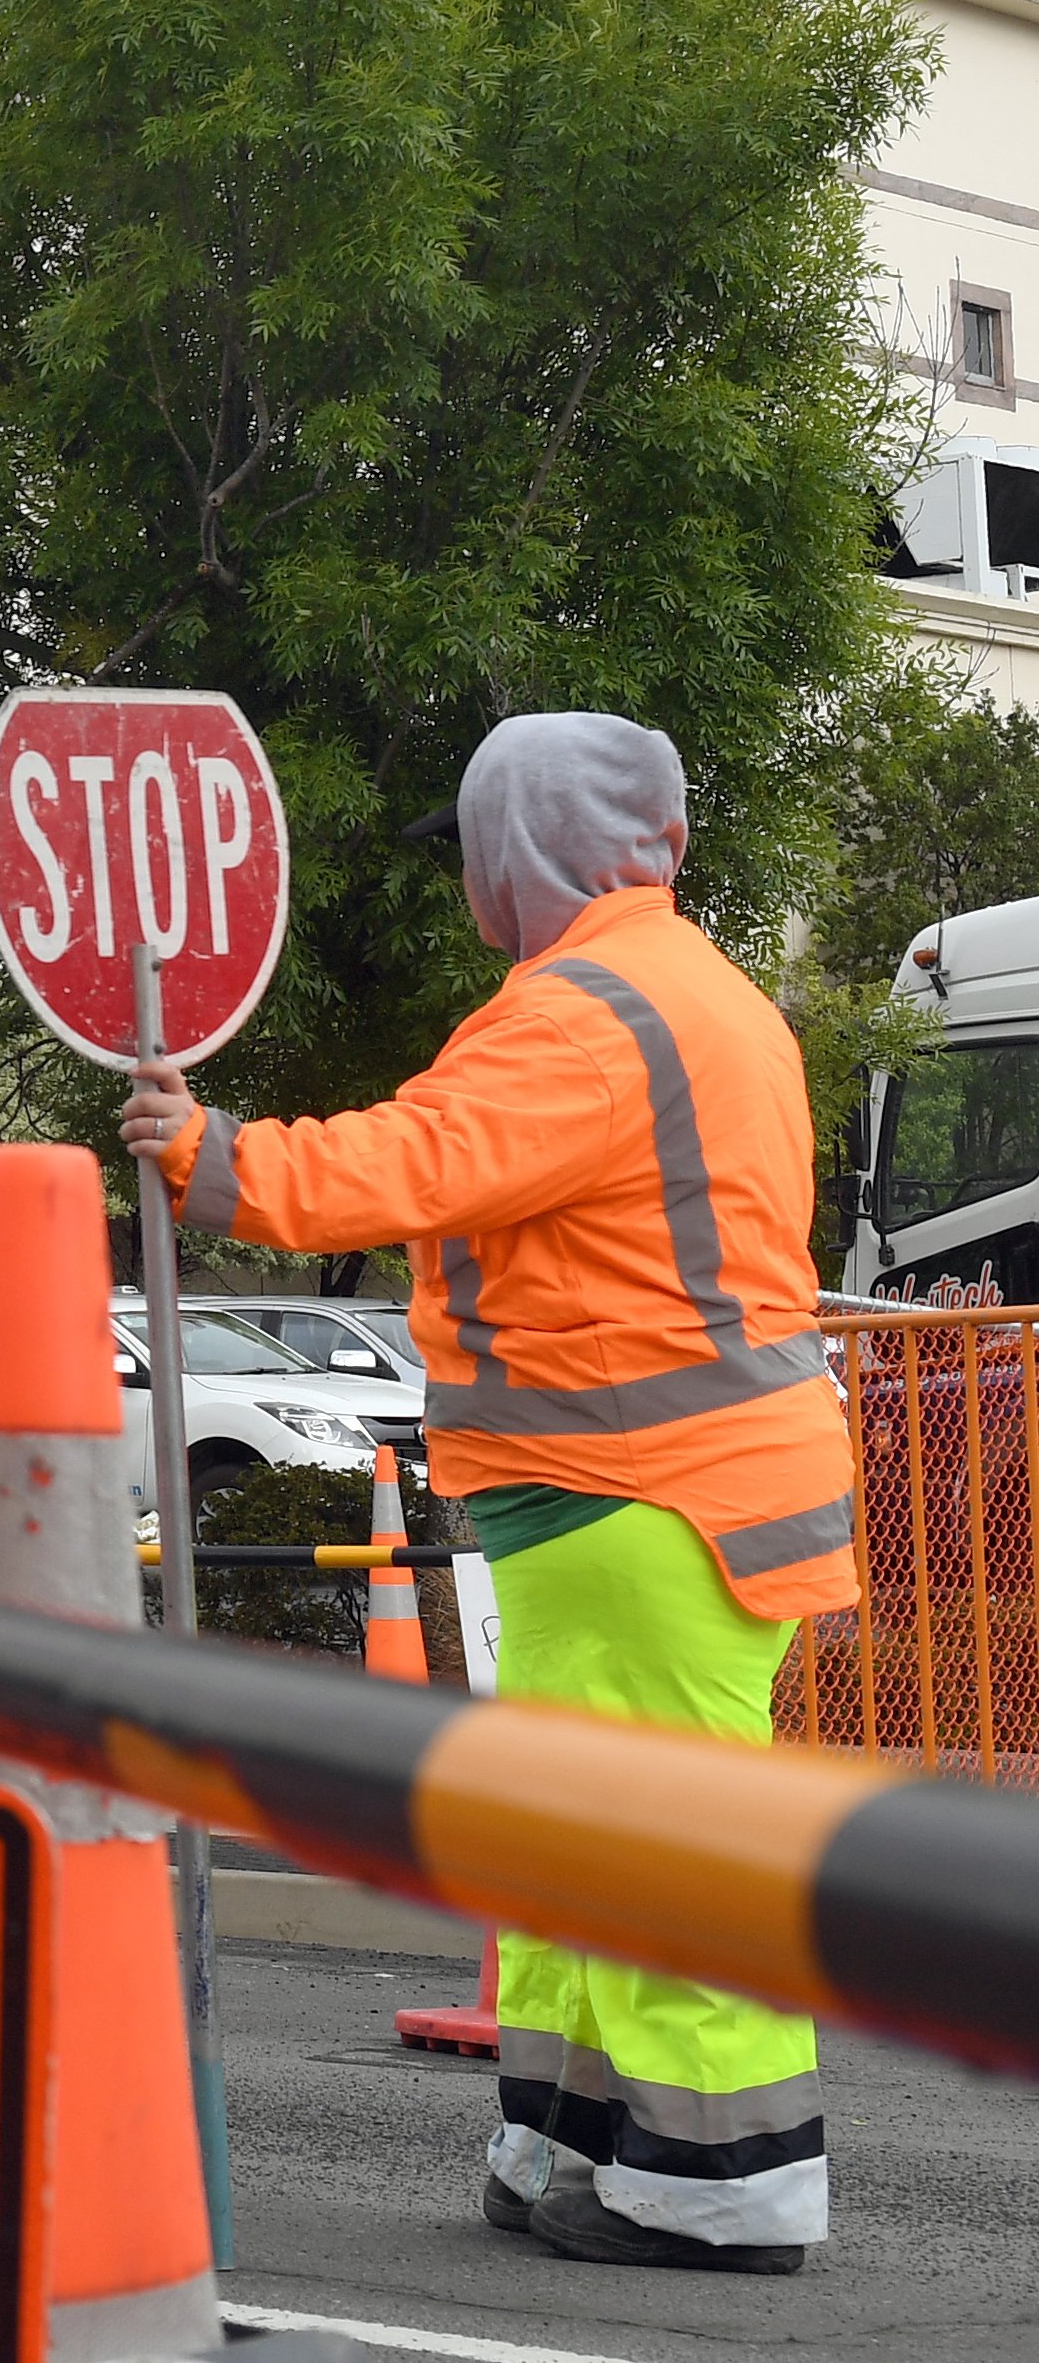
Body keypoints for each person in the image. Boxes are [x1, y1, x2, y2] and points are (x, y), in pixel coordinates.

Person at [119, 711, 855, 2274]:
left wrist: (210, 1155)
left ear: (520, 851)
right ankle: (582, 2146)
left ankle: (722, 2188)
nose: (463, 881)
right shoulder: (693, 995)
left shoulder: (585, 1013)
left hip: (642, 1493)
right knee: (593, 1845)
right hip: (655, 1494)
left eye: (468, 849)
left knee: (660, 1852)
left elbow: (415, 1161)